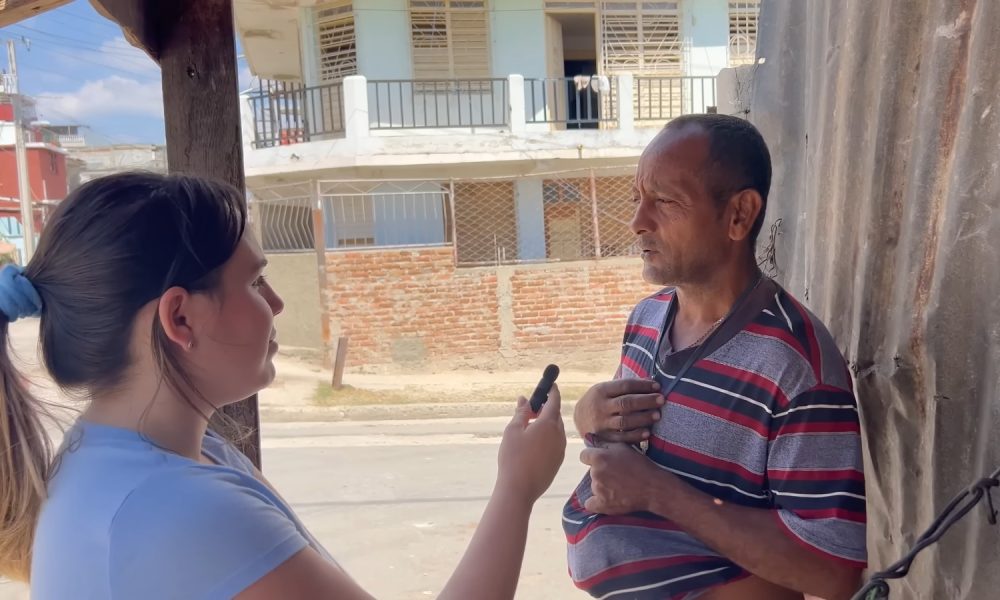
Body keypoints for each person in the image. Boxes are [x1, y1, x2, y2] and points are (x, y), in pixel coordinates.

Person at [0, 172, 566, 599]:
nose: (276, 303)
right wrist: (516, 489)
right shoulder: (171, 504)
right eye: (255, 280)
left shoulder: (151, 460)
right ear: (180, 319)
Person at [564, 114, 867, 600]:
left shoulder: (793, 367)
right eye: (637, 199)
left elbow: (832, 569)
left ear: (739, 215)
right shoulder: (647, 319)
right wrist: (589, 416)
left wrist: (661, 495)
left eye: (665, 201)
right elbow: (626, 462)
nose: (638, 221)